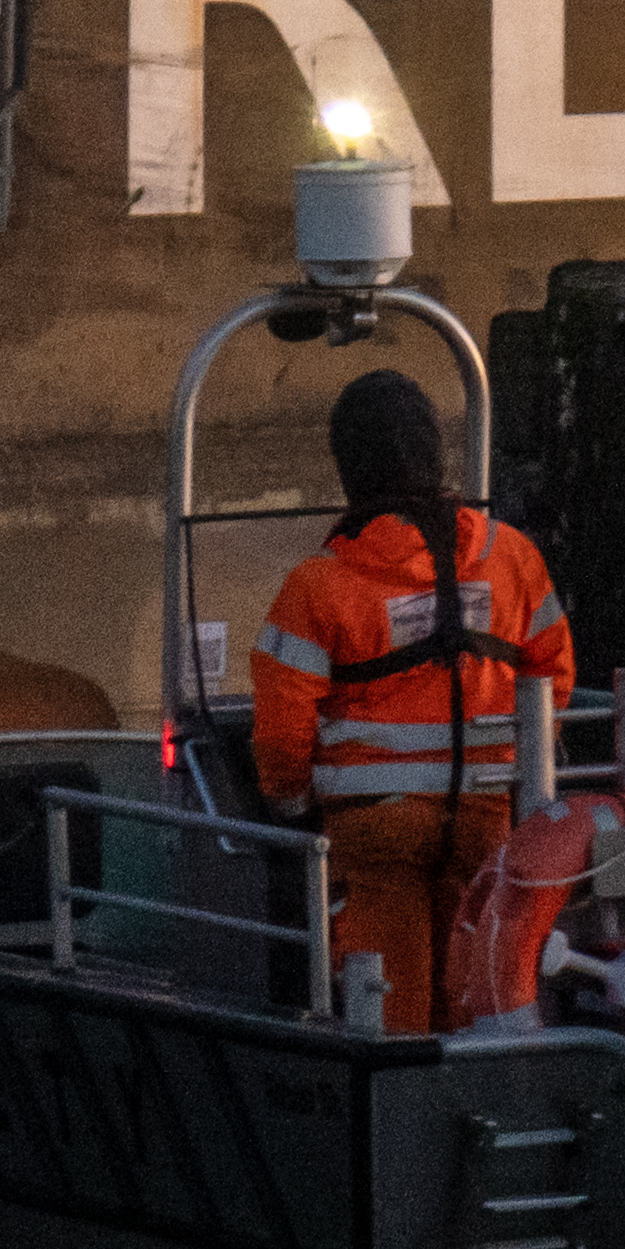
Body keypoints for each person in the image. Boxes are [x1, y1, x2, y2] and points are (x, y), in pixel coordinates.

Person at [238, 364, 572, 1035]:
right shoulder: (513, 558)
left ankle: (397, 1093)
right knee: (472, 986)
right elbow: (552, 679)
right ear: (435, 451)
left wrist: (293, 807)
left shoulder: (318, 586)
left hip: (374, 830)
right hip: (484, 818)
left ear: (349, 469)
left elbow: (281, 734)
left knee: (389, 1005)